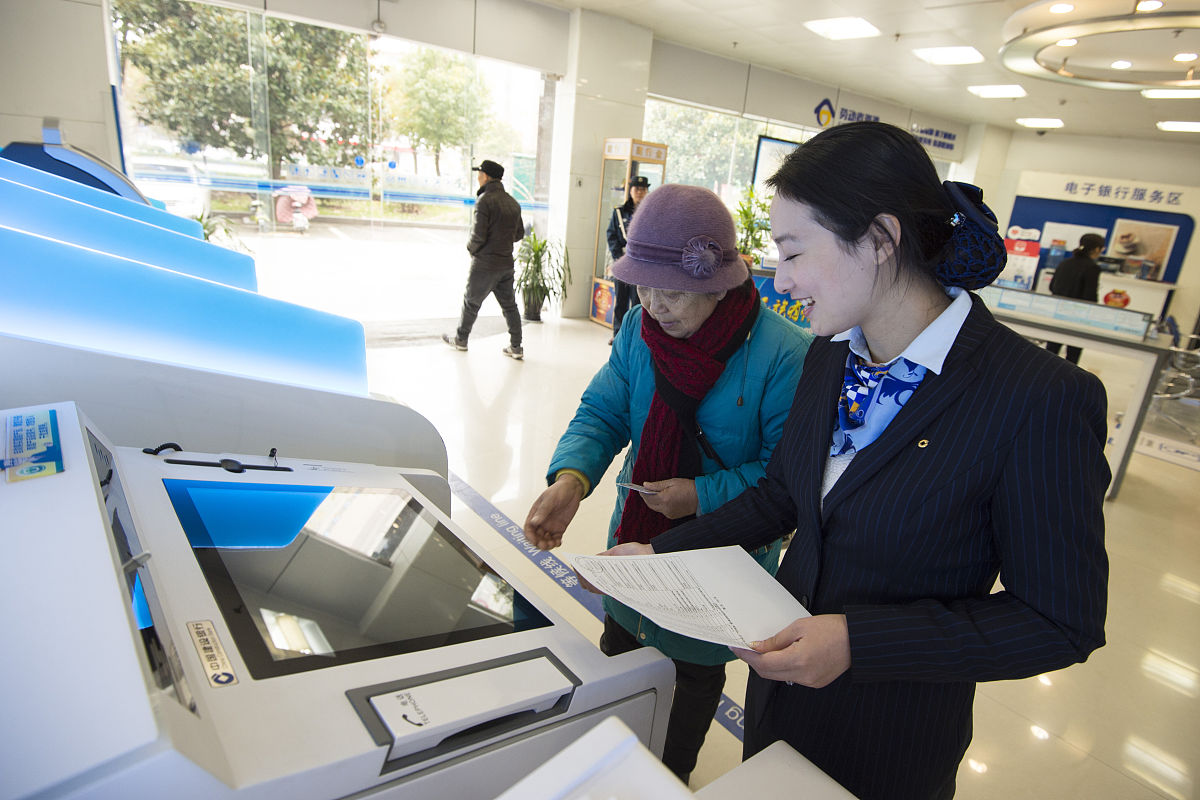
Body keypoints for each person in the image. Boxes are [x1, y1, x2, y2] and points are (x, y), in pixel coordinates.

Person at [603, 122, 1110, 800]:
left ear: (879, 238)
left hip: (890, 738)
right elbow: (781, 493)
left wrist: (859, 642)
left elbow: (1058, 621)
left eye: (792, 251)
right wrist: (663, 555)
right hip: (778, 702)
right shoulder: (831, 352)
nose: (776, 277)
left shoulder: (1036, 397)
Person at [523, 183, 812, 784]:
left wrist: (699, 496)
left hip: (719, 576)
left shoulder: (785, 354)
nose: (656, 304)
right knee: (616, 702)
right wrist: (571, 480)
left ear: (721, 279)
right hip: (634, 556)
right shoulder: (637, 331)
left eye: (674, 290)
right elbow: (604, 410)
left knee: (678, 725)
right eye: (644, 285)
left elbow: (784, 481)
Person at [443, 159, 527, 360]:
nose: (478, 177)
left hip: (485, 263)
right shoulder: (513, 203)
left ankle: (461, 339)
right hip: (506, 263)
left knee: (471, 302)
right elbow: (519, 234)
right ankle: (516, 346)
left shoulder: (484, 200)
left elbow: (478, 235)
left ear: (486, 176)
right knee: (510, 306)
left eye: (480, 174)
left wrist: (471, 249)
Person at [1046, 233, 1105, 364]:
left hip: (1057, 311)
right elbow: (1090, 296)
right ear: (1096, 249)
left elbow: (1052, 286)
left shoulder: (1064, 263)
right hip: (1078, 316)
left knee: (1051, 349)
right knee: (1073, 354)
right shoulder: (1093, 268)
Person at [605, 174, 650, 342]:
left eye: (643, 189)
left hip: (641, 264)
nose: (640, 192)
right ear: (630, 190)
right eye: (637, 189)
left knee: (638, 301)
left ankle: (636, 336)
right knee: (621, 300)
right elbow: (611, 235)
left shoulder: (649, 214)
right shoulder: (619, 212)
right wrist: (619, 257)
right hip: (623, 262)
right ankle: (618, 334)